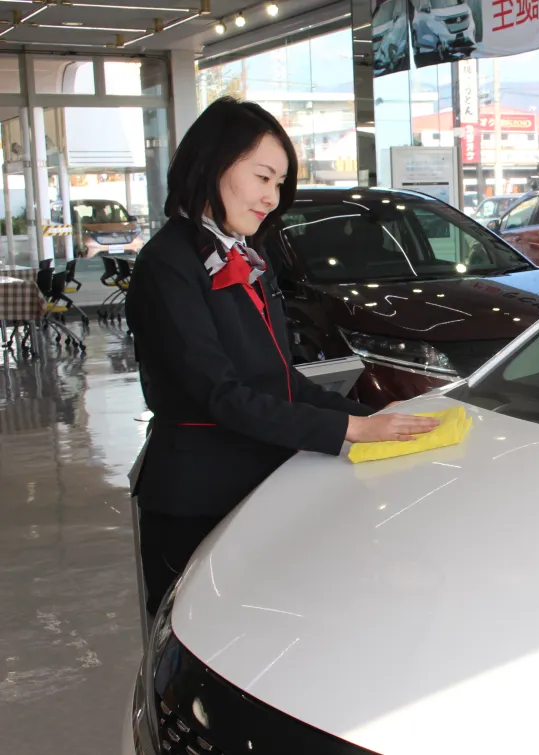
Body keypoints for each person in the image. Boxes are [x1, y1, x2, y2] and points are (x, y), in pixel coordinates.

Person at [125, 97, 439, 618]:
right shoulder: (168, 263)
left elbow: (279, 381)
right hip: (199, 494)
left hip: (259, 482)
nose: (272, 198)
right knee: (201, 635)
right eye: (263, 177)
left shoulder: (247, 255)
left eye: (279, 184)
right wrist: (352, 432)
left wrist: (377, 418)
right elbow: (219, 394)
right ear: (212, 163)